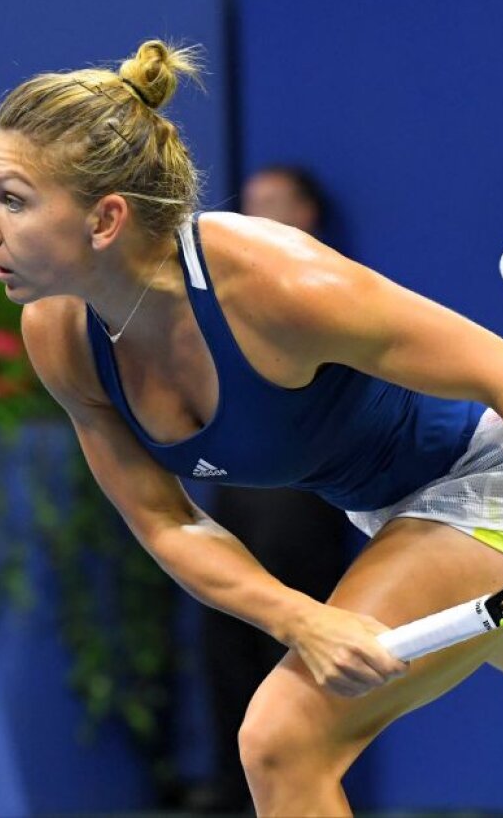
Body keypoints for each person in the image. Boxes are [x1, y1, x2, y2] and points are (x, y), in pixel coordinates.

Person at [0, 40, 503, 816]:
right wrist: (300, 617)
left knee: (282, 742)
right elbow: (167, 522)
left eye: (11, 200)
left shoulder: (278, 284)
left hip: (468, 476)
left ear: (105, 219)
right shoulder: (61, 336)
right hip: (379, 507)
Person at [194, 165, 354, 813]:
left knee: (295, 666)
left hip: (306, 504)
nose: (254, 215)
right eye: (250, 203)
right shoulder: (215, 302)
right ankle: (234, 795)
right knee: (226, 645)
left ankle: (304, 788)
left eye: (273, 203)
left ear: (307, 214)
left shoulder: (327, 290)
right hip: (235, 501)